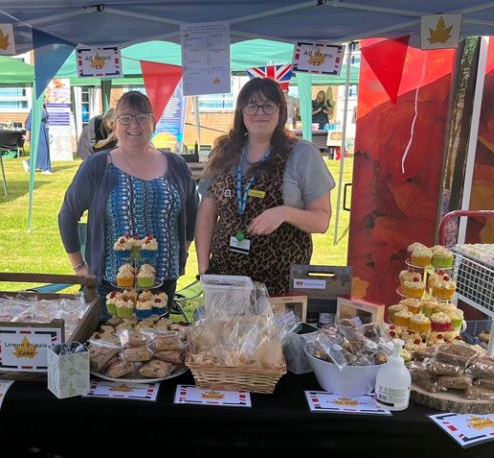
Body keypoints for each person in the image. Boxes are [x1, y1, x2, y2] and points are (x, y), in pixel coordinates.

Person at [59, 91, 199, 314]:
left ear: (153, 123)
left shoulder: (176, 166)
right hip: (110, 285)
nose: (134, 125)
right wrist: (79, 267)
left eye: (142, 118)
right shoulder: (97, 166)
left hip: (163, 280)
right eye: (126, 118)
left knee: (157, 343)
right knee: (111, 343)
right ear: (115, 124)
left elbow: (194, 212)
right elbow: (67, 215)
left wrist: (183, 249)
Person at [195, 78, 335, 294]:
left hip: (280, 289)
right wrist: (205, 272)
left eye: (268, 105)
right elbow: (206, 217)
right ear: (241, 112)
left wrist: (285, 213)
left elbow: (321, 220)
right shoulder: (224, 153)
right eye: (252, 105)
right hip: (226, 283)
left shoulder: (302, 154)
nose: (260, 112)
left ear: (281, 110)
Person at [23, 104, 52, 174]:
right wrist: (27, 135)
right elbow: (30, 122)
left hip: (44, 130)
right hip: (38, 130)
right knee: (41, 149)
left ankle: (31, 164)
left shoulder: (44, 107)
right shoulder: (35, 108)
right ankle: (45, 168)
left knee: (45, 149)